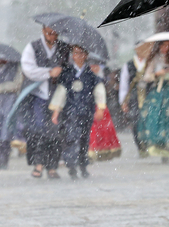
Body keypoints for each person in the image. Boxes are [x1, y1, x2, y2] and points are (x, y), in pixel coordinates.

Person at [49, 45, 106, 179]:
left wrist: (101, 107)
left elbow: (99, 90)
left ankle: (82, 165)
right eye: (76, 53)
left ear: (86, 55)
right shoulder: (67, 73)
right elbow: (61, 92)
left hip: (86, 111)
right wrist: (56, 111)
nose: (78, 56)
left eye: (81, 53)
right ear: (72, 55)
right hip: (70, 112)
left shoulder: (91, 74)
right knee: (71, 138)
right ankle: (72, 166)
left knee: (83, 140)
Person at [21, 25, 69, 179]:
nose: (53, 36)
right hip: (37, 96)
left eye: (55, 33)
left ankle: (52, 166)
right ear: (43, 31)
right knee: (38, 131)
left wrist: (61, 72)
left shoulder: (63, 48)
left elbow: (68, 70)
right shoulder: (32, 47)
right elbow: (28, 69)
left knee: (55, 131)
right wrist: (48, 72)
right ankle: (38, 163)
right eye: (49, 33)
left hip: (57, 96)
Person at [138, 41, 169, 162]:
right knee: (157, 120)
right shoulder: (155, 59)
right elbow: (146, 76)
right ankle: (161, 148)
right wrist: (157, 74)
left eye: (167, 45)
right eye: (163, 45)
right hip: (159, 93)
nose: (165, 48)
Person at [118, 42, 149, 157]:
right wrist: (123, 102)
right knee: (135, 123)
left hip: (148, 96)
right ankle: (140, 146)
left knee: (148, 122)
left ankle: (148, 145)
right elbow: (124, 84)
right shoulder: (129, 65)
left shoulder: (150, 63)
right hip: (133, 98)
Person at [88, 63, 121, 162]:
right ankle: (90, 150)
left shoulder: (103, 75)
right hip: (88, 104)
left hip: (99, 105)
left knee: (103, 129)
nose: (94, 67)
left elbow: (105, 90)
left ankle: (100, 150)